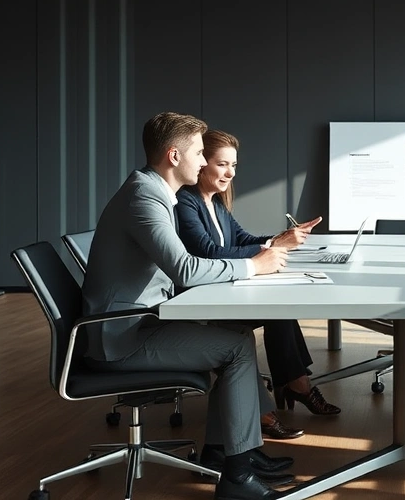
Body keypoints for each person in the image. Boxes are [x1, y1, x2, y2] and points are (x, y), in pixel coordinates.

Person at [82, 112, 290, 500]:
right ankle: (237, 477)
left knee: (234, 334)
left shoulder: (155, 192)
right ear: (174, 156)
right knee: (237, 347)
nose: (203, 160)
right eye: (198, 152)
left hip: (138, 322)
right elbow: (184, 268)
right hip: (121, 336)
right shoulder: (144, 197)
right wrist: (253, 266)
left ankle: (223, 452)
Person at [175, 129, 341, 421]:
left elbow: (243, 239)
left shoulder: (215, 203)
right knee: (276, 309)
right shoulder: (187, 202)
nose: (230, 173)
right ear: (202, 163)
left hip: (221, 288)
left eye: (234, 165)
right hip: (201, 298)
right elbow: (207, 251)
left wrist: (285, 237)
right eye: (222, 164)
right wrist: (273, 247)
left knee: (280, 307)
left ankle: (294, 383)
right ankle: (294, 386)